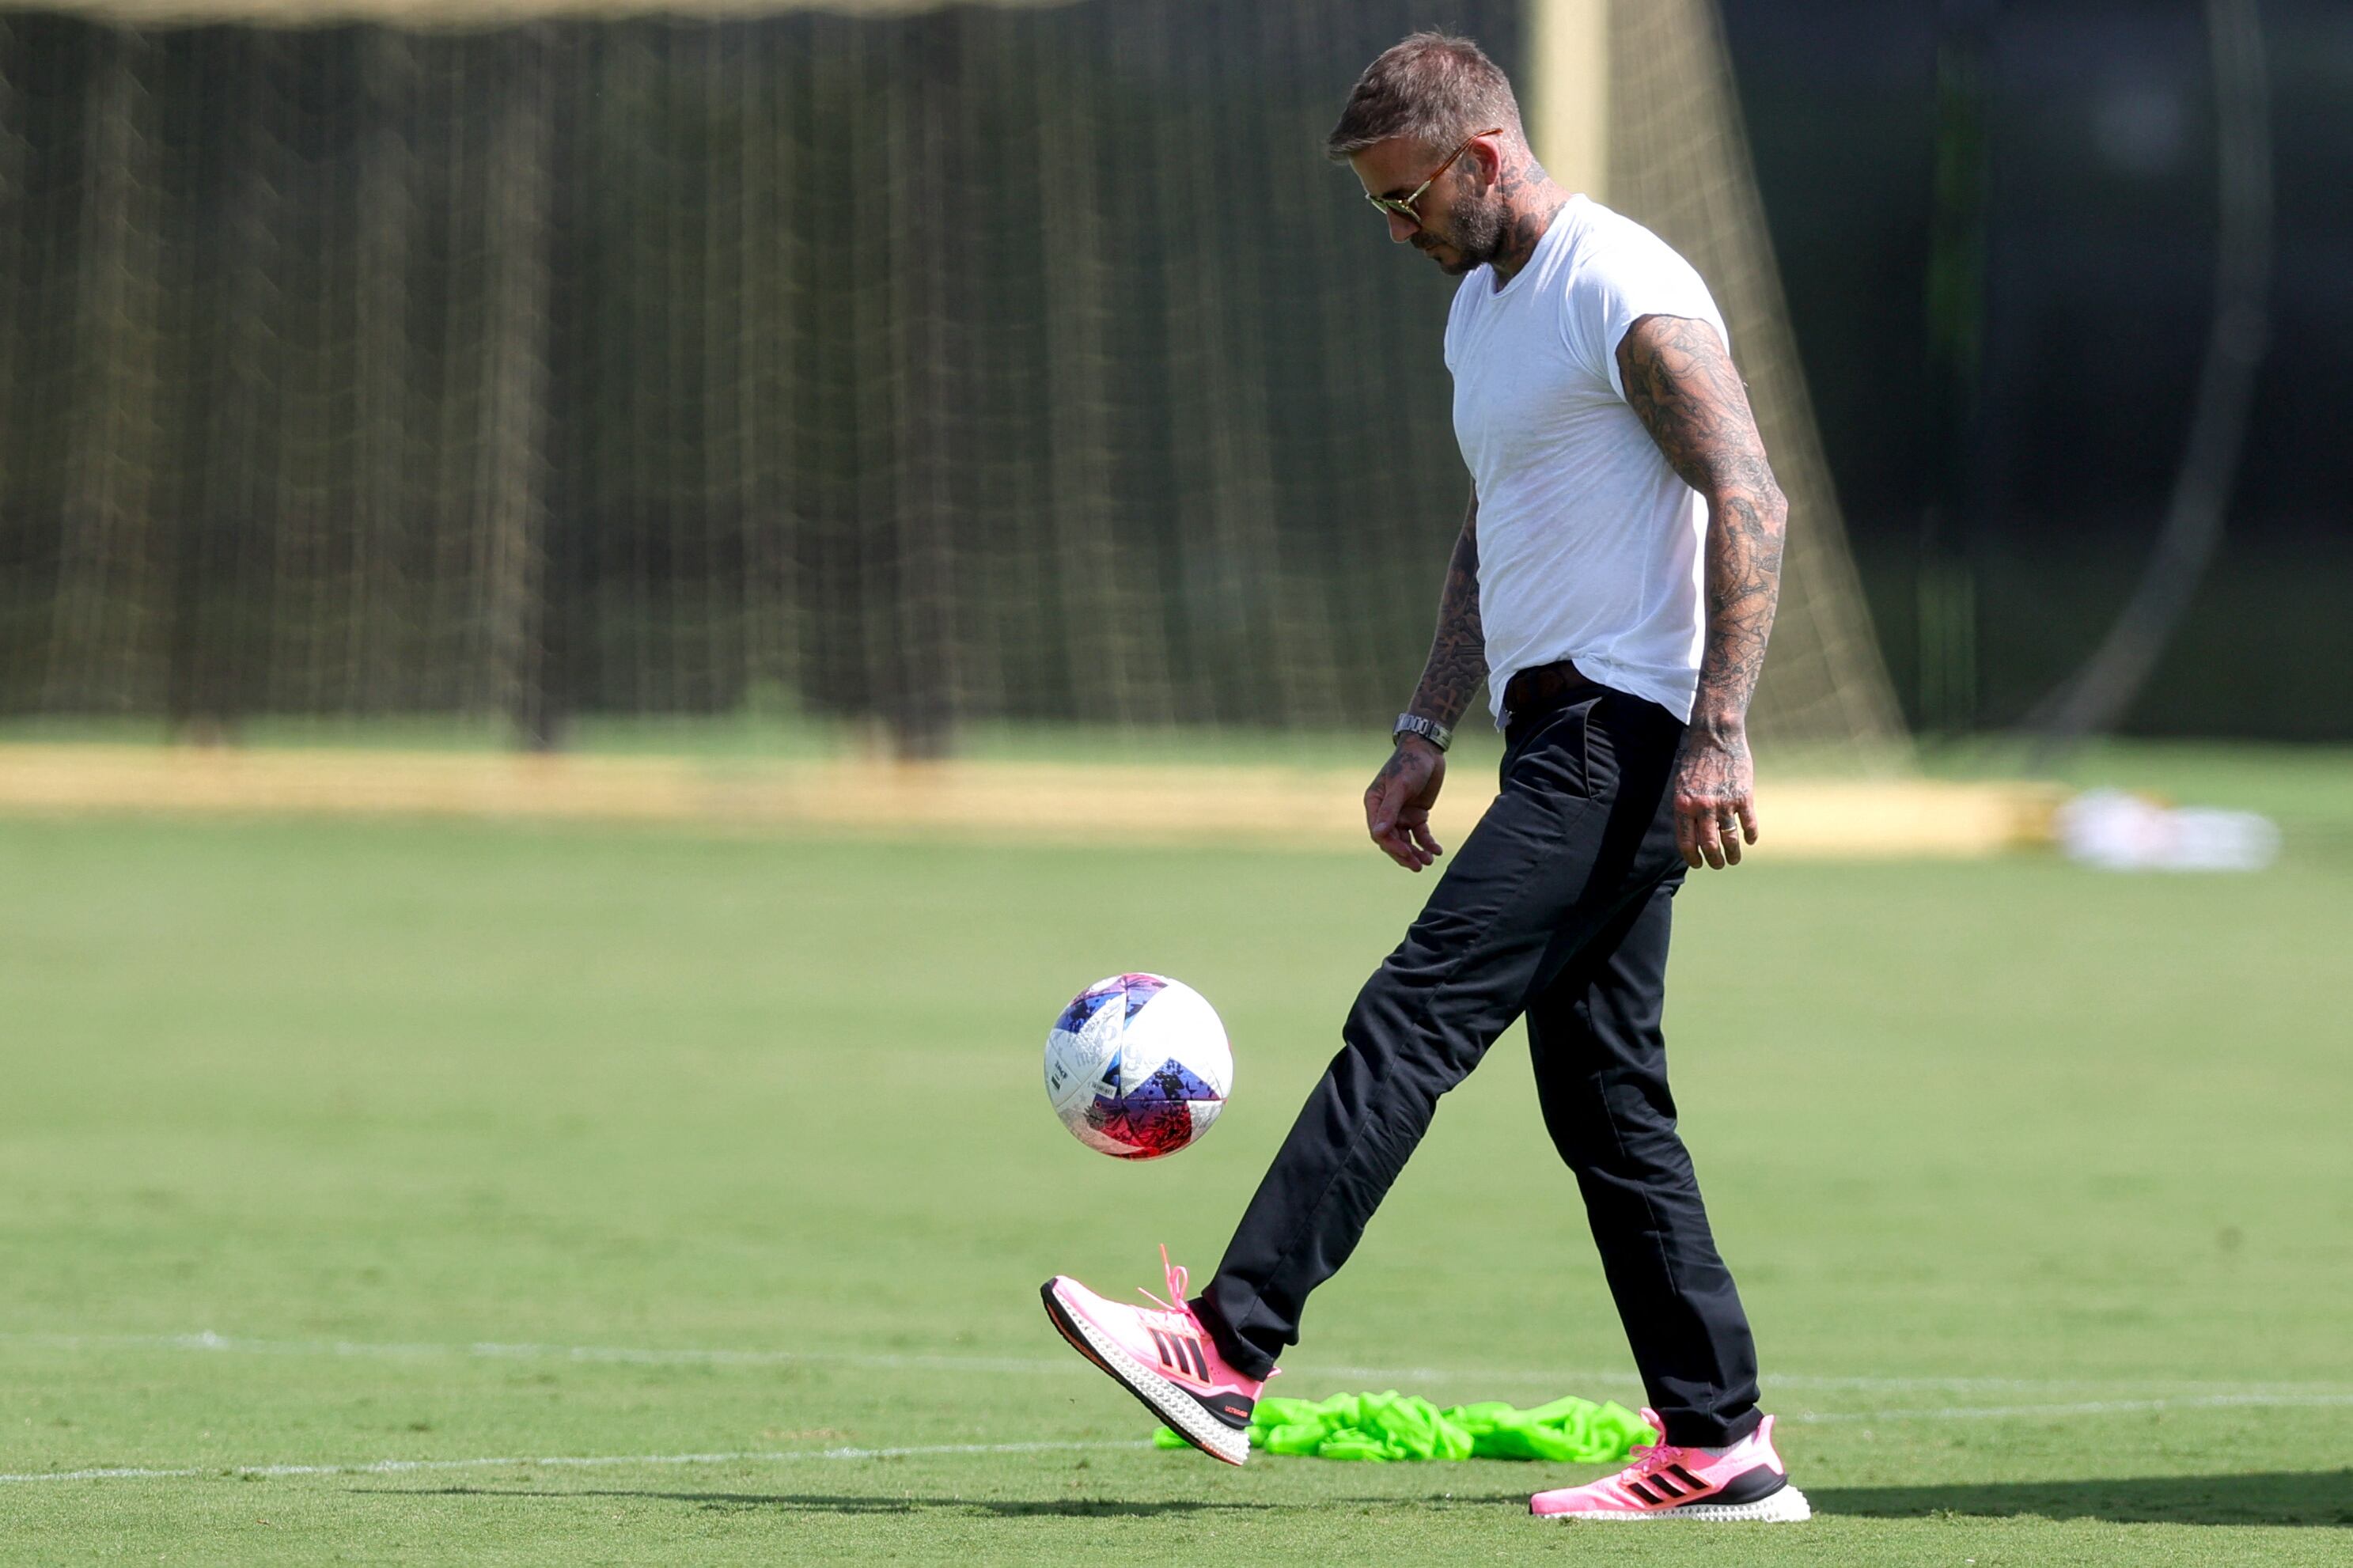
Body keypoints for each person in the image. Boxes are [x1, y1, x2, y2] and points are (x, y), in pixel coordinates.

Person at [1040, 32, 1808, 1524]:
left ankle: (1224, 1347)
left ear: (1481, 159)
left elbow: (1749, 492)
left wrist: (1719, 727)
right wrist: (1422, 724)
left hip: (1625, 733)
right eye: (1375, 208)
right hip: (1554, 729)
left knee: (1413, 1017)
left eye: (1403, 200)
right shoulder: (1480, 313)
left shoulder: (1621, 286)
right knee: (1606, 1104)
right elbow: (1495, 524)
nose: (1393, 230)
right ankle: (1721, 1446)